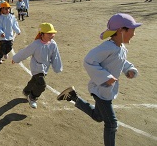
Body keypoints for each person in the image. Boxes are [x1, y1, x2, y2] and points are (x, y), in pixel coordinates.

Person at [57, 13, 142, 146]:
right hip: (101, 90)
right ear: (121, 30)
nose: (134, 34)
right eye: (133, 30)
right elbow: (89, 61)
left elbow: (121, 61)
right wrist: (105, 77)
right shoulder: (107, 47)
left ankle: (72, 97)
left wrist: (129, 69)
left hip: (107, 90)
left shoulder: (121, 48)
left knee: (98, 116)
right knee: (111, 123)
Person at [12, 23, 63, 109]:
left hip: (45, 68)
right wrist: (16, 58)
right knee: (41, 85)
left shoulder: (53, 44)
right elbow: (26, 52)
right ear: (42, 34)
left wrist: (57, 67)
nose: (52, 35)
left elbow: (56, 56)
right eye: (49, 33)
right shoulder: (36, 44)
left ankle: (26, 91)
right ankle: (32, 97)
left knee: (34, 81)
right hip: (36, 67)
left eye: (52, 33)